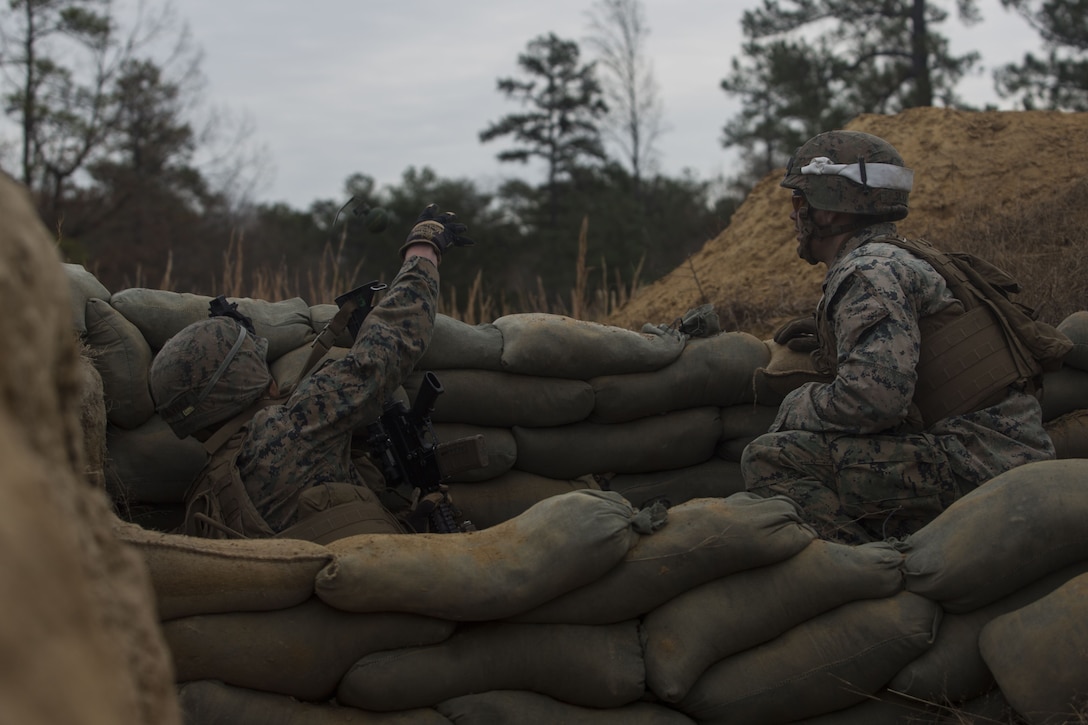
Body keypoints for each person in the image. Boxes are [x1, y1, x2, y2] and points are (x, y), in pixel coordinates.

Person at [741, 130, 1060, 544]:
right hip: (994, 450)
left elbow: (875, 399)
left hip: (977, 463)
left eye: (800, 201)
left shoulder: (868, 272)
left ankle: (868, 571)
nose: (792, 215)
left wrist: (794, 404)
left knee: (769, 459)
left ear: (834, 213)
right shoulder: (902, 257)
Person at [150, 204, 473, 542]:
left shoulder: (206, 494)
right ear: (242, 378)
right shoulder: (295, 426)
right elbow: (389, 345)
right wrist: (424, 248)